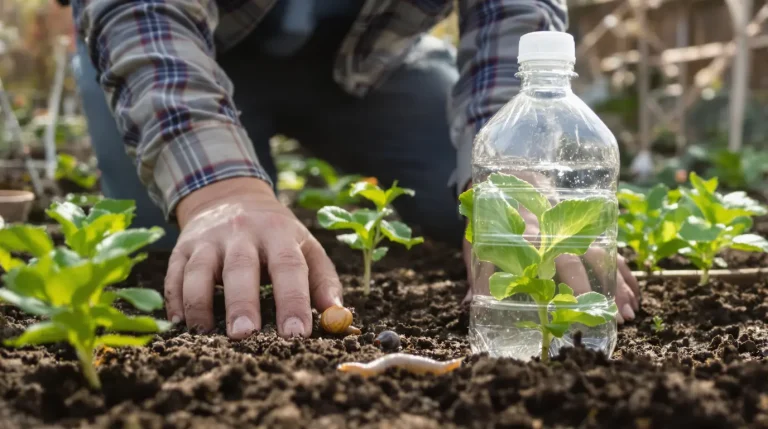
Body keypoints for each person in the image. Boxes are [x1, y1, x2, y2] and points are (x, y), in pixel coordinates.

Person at [68, 0, 640, 340]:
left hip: (363, 69)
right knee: (173, 238)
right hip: (185, 52)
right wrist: (221, 193)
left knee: (478, 203)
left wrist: (510, 182)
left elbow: (511, 16)